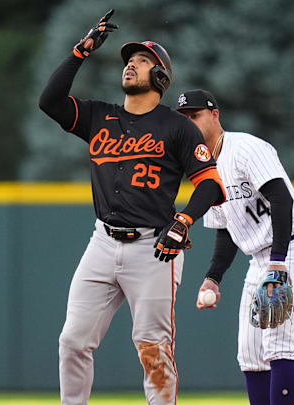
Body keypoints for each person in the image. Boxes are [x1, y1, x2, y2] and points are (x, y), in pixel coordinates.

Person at [38, 10, 226, 405]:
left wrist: (184, 220)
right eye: (129, 60)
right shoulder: (99, 116)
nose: (130, 64)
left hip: (154, 248)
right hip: (102, 242)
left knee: (152, 348)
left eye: (142, 61)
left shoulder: (177, 127)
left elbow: (210, 184)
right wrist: (81, 51)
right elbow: (50, 101)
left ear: (159, 77)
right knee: (72, 341)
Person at [176, 89, 294, 405]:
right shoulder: (205, 170)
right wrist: (213, 277)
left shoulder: (245, 148)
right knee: (251, 353)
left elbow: (281, 198)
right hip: (259, 258)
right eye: (184, 120)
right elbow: (226, 231)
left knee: (277, 344)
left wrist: (278, 262)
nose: (189, 124)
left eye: (195, 116)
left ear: (214, 115)